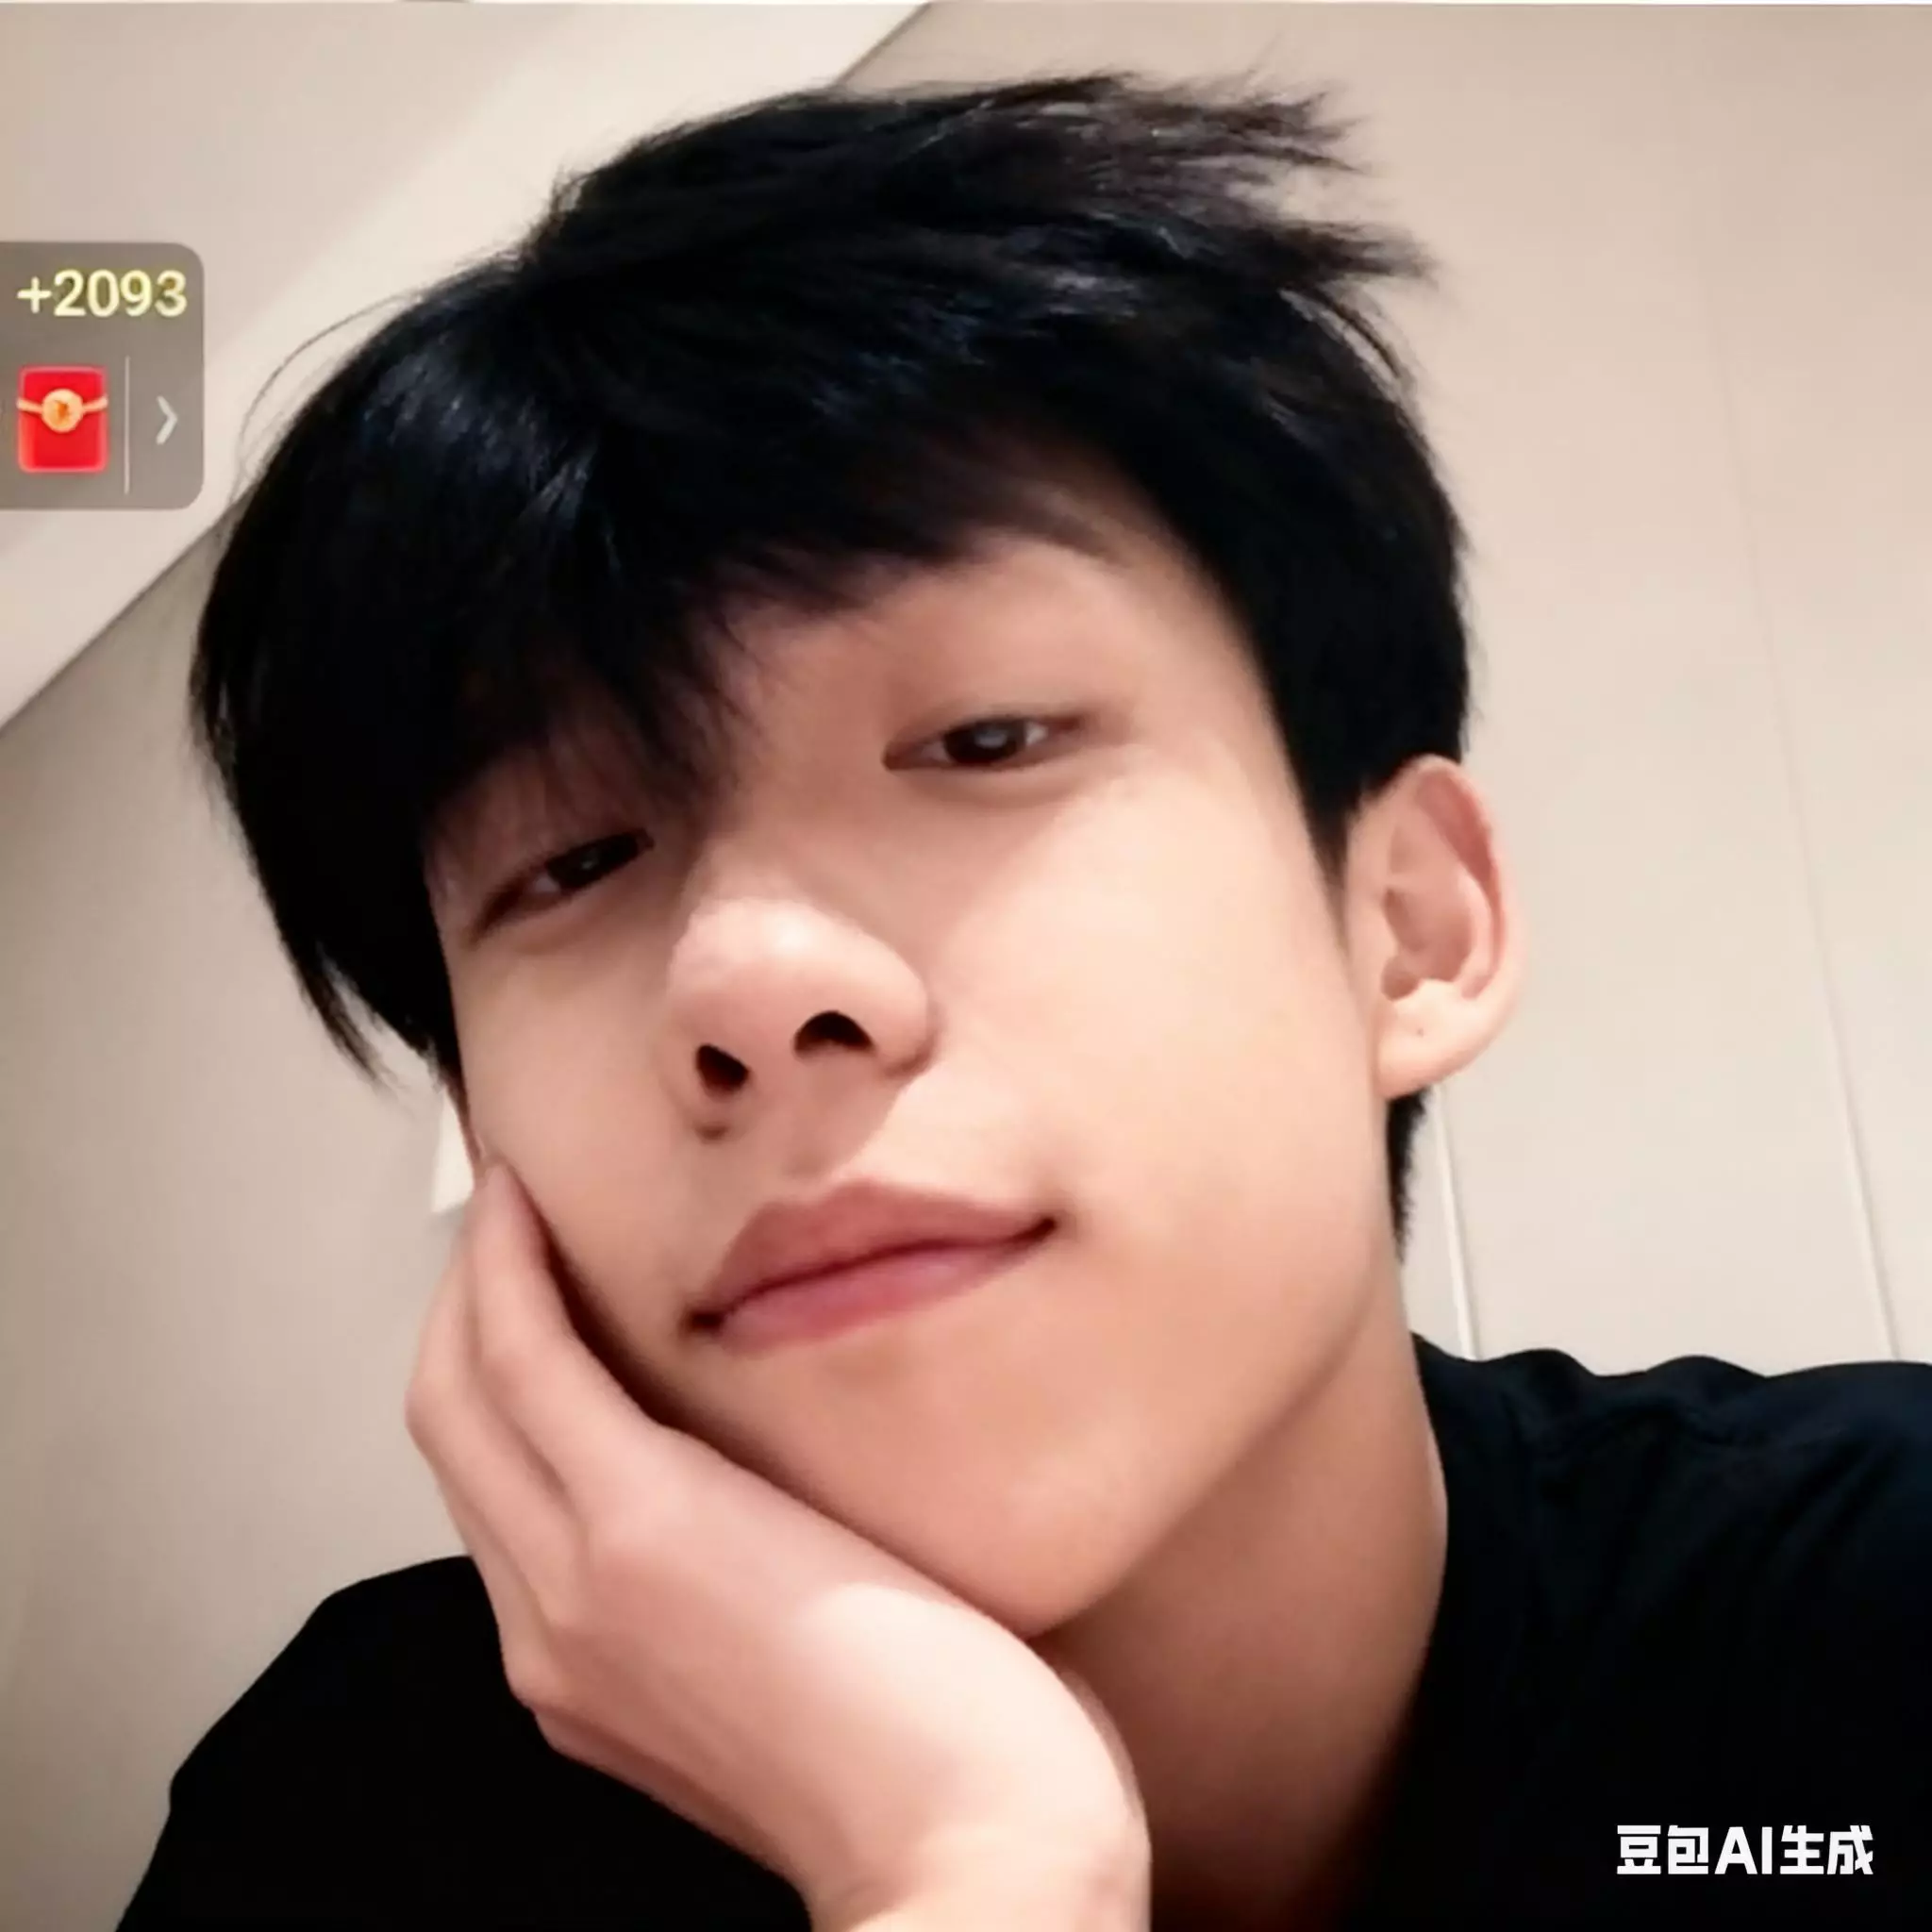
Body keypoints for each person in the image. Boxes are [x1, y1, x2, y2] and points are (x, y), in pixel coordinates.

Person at [119, 74, 1930, 1932]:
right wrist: (977, 1869)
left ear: (1409, 926)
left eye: (985, 739)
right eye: (570, 862)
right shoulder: (351, 1827)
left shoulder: (1884, 1606)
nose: (749, 983)